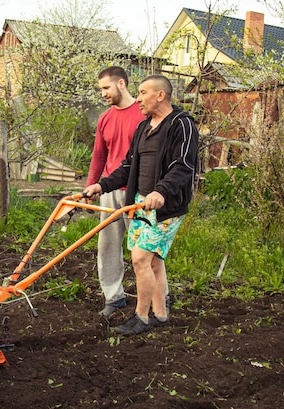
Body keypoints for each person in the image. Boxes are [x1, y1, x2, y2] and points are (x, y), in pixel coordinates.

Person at [84, 74, 198, 335]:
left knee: (140, 259)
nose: (139, 99)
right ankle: (160, 314)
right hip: (139, 204)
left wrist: (161, 192)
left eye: (144, 92)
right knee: (154, 261)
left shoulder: (182, 124)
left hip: (165, 207)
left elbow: (184, 167)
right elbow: (127, 166)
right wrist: (102, 185)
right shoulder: (143, 128)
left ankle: (142, 317)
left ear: (161, 95)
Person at [85, 66, 145, 319]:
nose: (103, 94)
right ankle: (114, 297)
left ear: (121, 83)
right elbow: (99, 154)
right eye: (101, 89)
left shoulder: (143, 114)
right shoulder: (105, 118)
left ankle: (155, 297)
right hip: (110, 189)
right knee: (108, 245)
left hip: (139, 191)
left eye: (106, 88)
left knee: (145, 248)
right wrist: (91, 185)